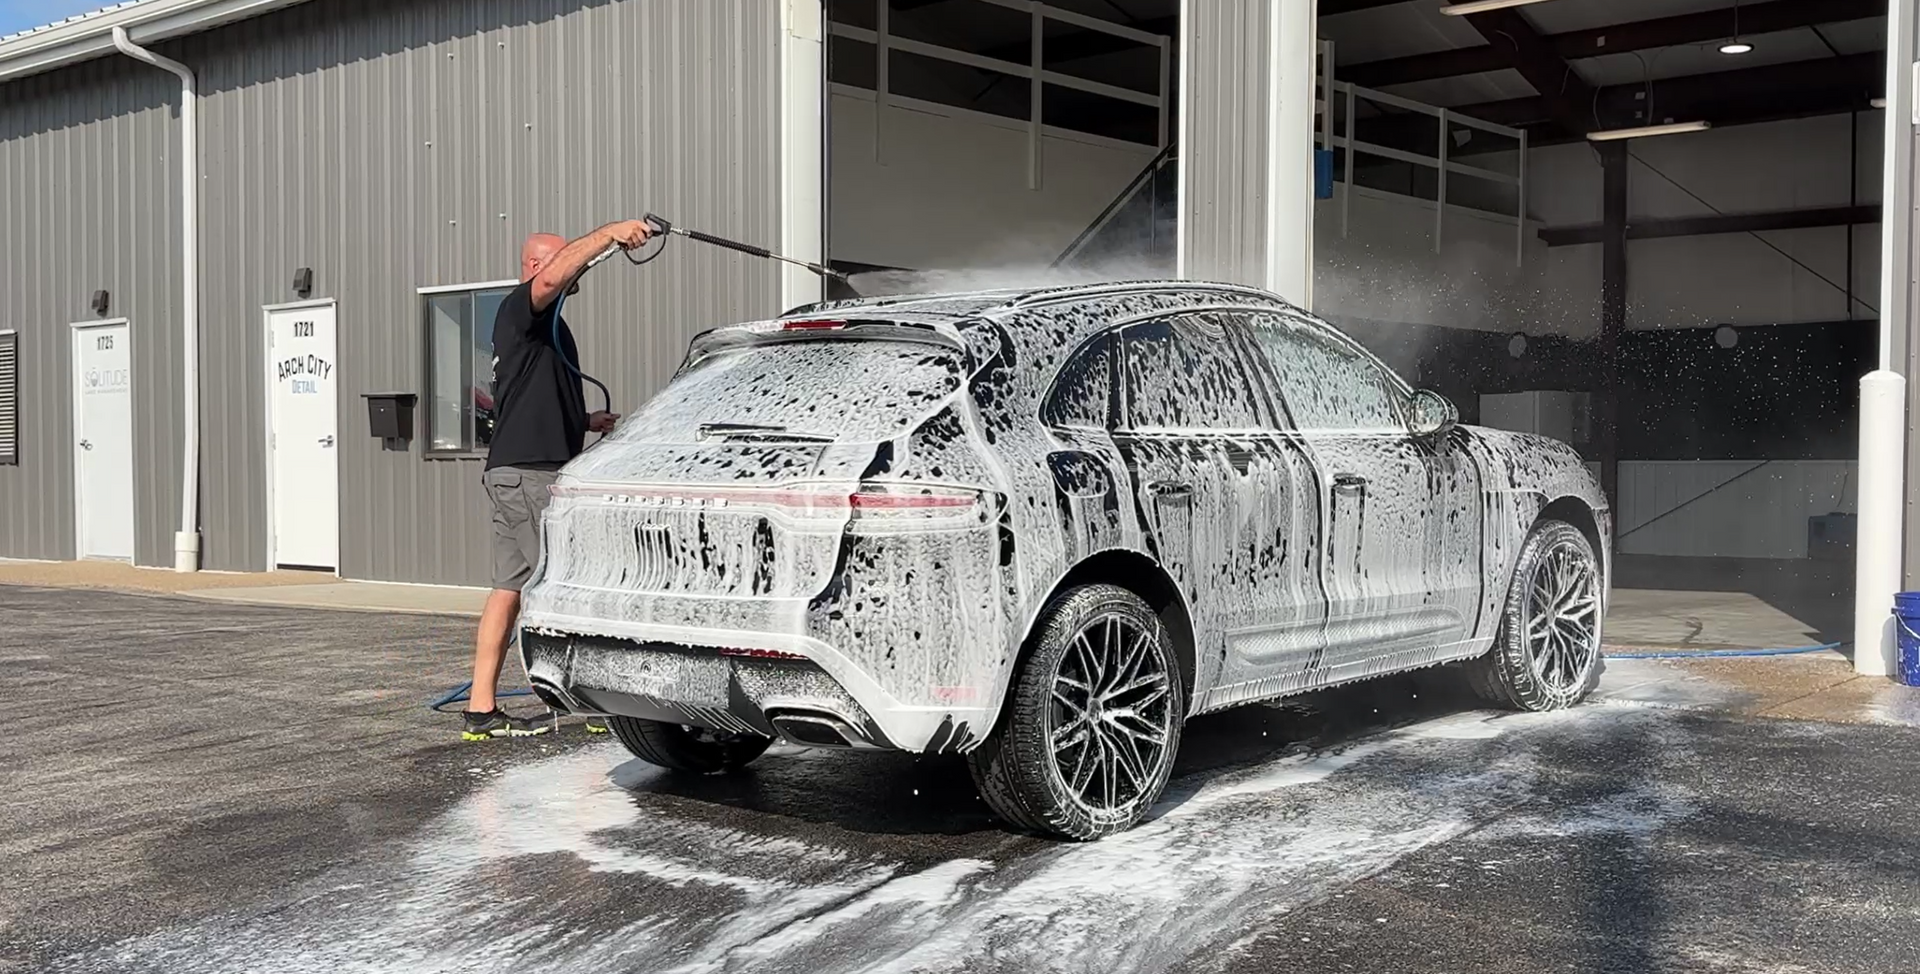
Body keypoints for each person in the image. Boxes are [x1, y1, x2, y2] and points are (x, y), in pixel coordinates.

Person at [461, 220, 653, 741]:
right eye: (565, 259)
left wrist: (583, 421)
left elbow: (529, 398)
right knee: (561, 587)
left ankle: (481, 708)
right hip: (530, 476)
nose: (577, 269)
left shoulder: (544, 329)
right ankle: (580, 699)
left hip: (518, 470)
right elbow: (550, 282)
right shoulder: (522, 306)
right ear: (534, 267)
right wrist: (611, 233)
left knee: (510, 589)